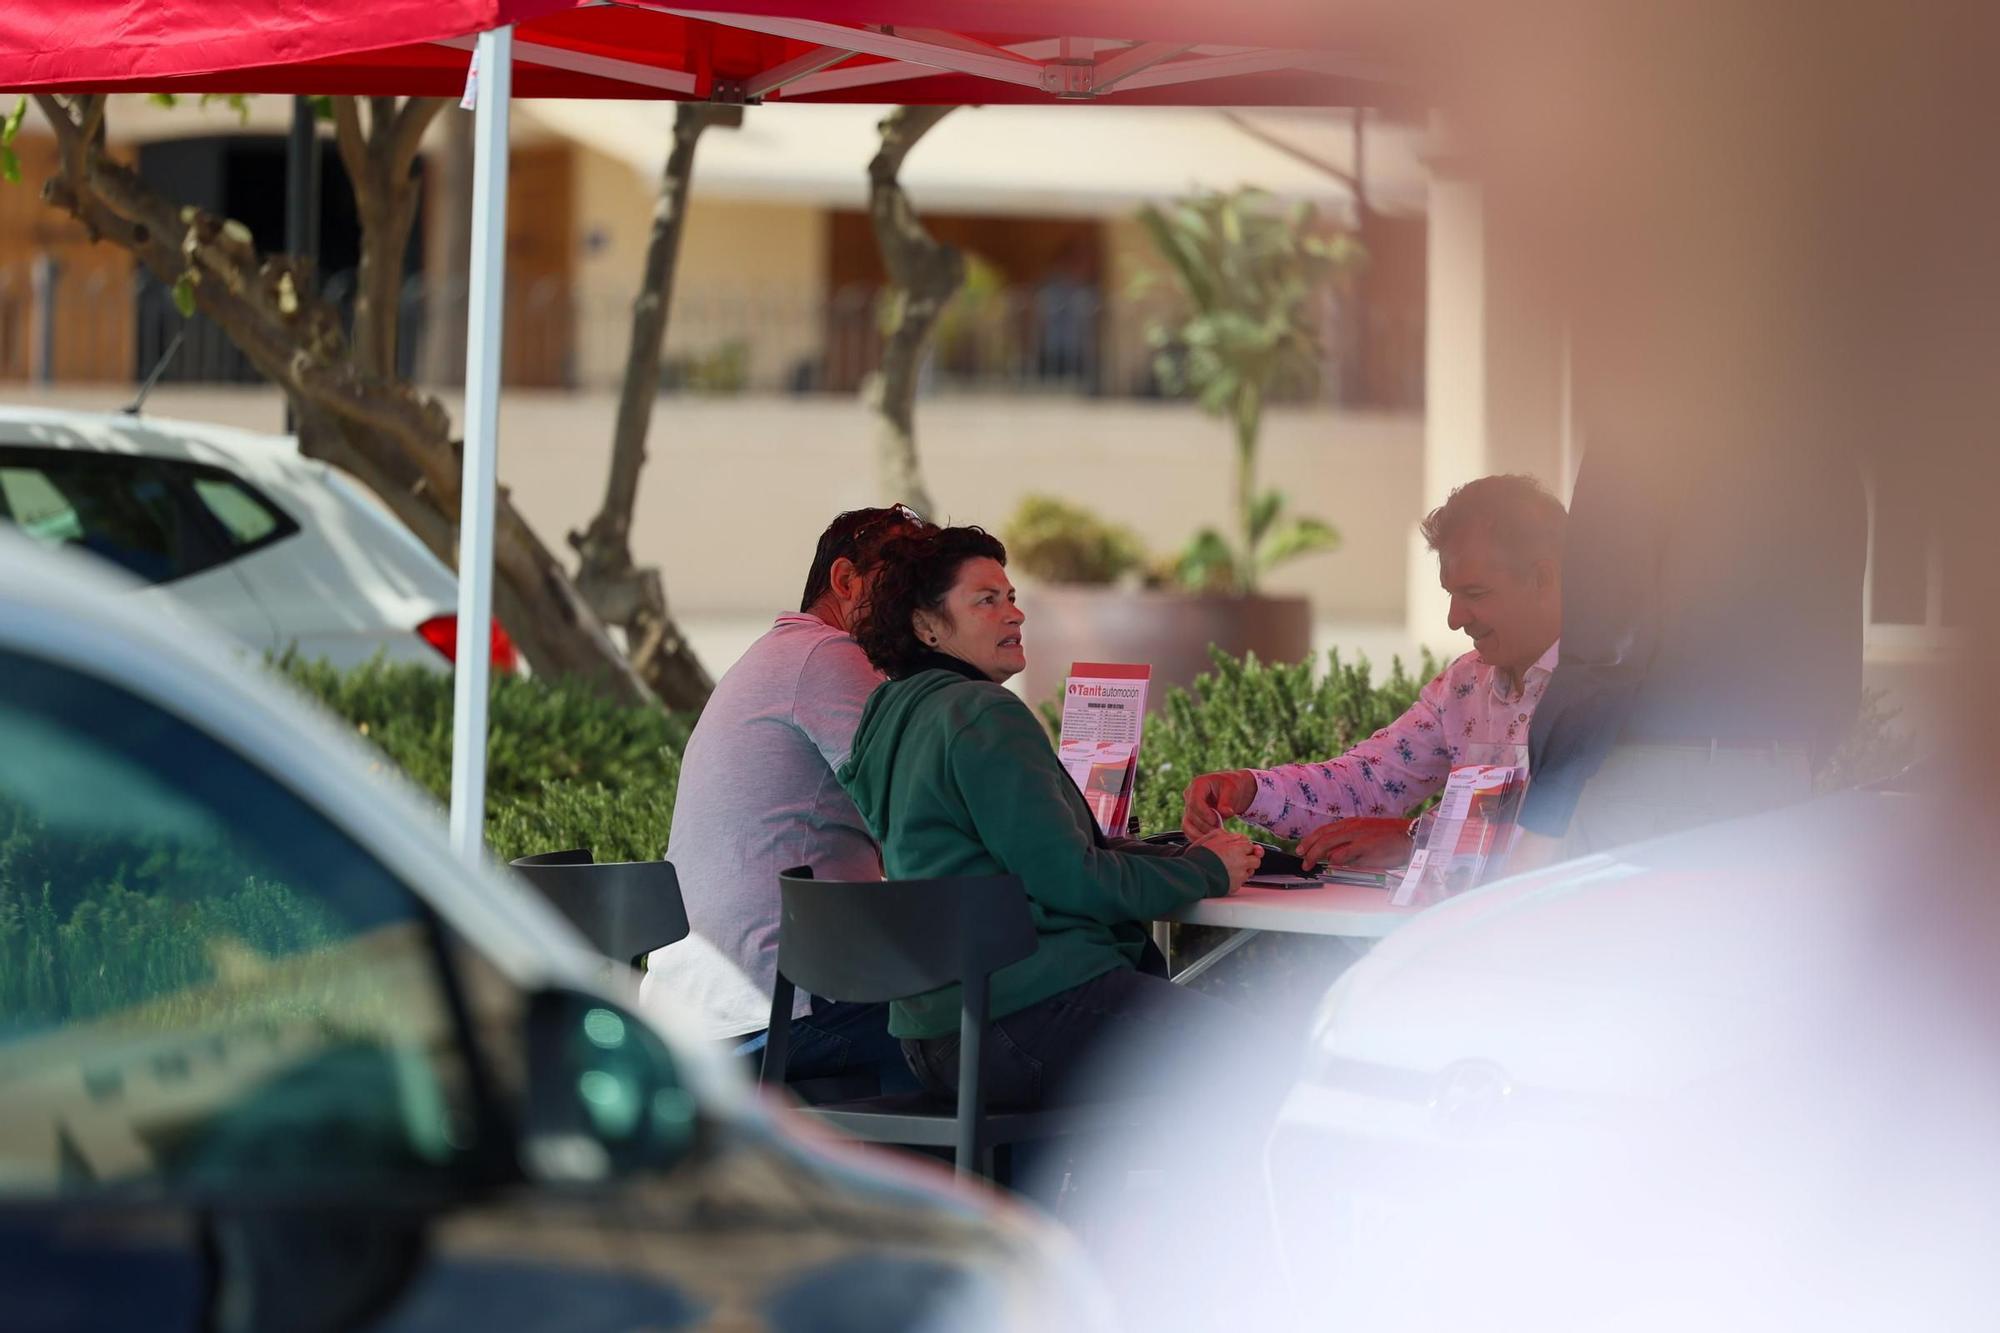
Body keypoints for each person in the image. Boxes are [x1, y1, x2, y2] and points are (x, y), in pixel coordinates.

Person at [837, 524, 1264, 1109]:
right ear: (926, 626)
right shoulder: (981, 713)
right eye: (986, 601)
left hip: (935, 1035)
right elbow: (1070, 878)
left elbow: (1020, 858)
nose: (1013, 615)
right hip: (1024, 1015)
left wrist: (1170, 860)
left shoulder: (894, 713)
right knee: (1262, 1058)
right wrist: (1206, 872)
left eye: (1011, 597)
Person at [640, 505, 927, 1093]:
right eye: (904, 585)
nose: (920, 607)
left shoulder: (780, 654)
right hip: (771, 1011)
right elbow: (921, 814)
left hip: (702, 1011)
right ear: (845, 582)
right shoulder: (830, 657)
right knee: (987, 1031)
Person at [1182, 474, 1567, 871]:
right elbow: (1370, 782)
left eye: (1475, 594)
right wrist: (1246, 788)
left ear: (1543, 578)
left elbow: (1569, 839)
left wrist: (1416, 839)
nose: (1455, 619)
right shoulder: (1465, 682)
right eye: (1451, 594)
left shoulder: (1607, 692)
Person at [1516, 432, 1865, 863]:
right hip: (1779, 784)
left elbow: (1606, 644)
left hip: (1648, 788)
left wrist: (1546, 813)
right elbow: (1839, 661)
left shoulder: (1643, 429)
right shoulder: (1826, 449)